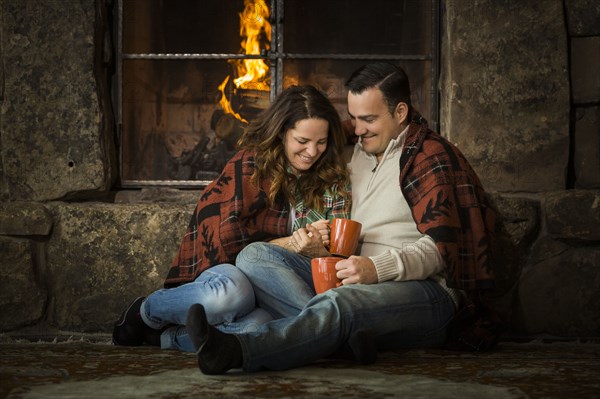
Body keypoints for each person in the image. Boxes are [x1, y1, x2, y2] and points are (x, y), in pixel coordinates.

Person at [186, 62, 501, 374]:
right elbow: (299, 144)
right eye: (353, 118)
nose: (358, 128)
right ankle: (341, 340)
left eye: (369, 119)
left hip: (423, 292)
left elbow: (442, 252)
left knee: (341, 304)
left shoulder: (430, 158)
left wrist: (376, 268)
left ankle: (237, 350)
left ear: (401, 112)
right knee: (254, 256)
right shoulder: (351, 151)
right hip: (349, 275)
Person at [112, 85, 351, 353]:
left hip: (282, 286)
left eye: (321, 142)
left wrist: (316, 249)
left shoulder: (331, 178)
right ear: (282, 132)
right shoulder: (251, 165)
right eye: (302, 141)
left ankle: (168, 339)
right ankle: (147, 310)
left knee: (257, 330)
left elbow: (338, 256)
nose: (312, 151)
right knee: (232, 296)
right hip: (233, 266)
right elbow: (227, 239)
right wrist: (288, 243)